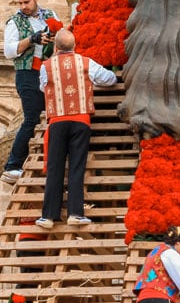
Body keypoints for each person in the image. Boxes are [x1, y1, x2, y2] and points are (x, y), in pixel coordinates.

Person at [35, 28, 118, 229]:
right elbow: (110, 79)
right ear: (75, 46)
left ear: (56, 47)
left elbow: (42, 87)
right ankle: (75, 213)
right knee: (76, 167)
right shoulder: (86, 62)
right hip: (81, 120)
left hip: (57, 121)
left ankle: (48, 216)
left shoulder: (47, 66)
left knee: (55, 167)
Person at [1, 0, 59, 185]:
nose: (23, 6)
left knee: (50, 117)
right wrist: (31, 39)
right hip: (27, 73)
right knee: (32, 117)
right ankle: (12, 165)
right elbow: (9, 51)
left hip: (48, 72)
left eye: (27, 1)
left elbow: (59, 37)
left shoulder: (50, 15)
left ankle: (44, 160)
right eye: (20, 2)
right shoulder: (14, 22)